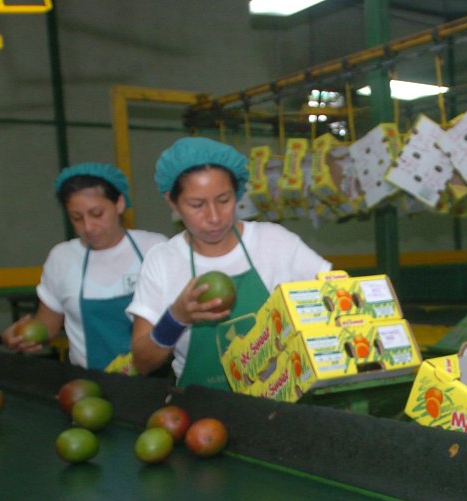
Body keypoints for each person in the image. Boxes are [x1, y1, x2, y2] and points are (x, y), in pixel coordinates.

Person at [127, 137, 331, 389]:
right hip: (200, 414)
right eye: (197, 205)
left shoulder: (276, 243)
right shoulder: (162, 261)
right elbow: (142, 362)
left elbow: (336, 293)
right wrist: (176, 317)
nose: (214, 217)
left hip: (279, 406)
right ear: (172, 202)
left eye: (224, 200)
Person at [2, 163, 166, 372]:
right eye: (77, 218)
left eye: (97, 214)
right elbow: (47, 328)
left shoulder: (153, 249)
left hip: (156, 379)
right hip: (91, 386)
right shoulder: (62, 258)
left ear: (119, 203)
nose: (88, 227)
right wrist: (19, 335)